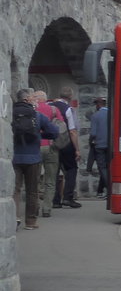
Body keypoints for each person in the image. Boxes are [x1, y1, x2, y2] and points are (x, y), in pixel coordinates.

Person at [12, 88, 55, 229]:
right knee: (32, 190)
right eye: (33, 97)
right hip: (33, 158)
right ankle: (30, 222)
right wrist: (40, 135)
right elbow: (54, 132)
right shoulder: (37, 116)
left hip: (14, 158)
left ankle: (14, 218)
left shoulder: (9, 113)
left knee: (15, 190)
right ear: (27, 100)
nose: (35, 100)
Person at [33, 90, 64, 218]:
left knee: (34, 180)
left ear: (36, 98)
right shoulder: (53, 110)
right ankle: (46, 209)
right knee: (50, 180)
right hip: (51, 147)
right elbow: (61, 127)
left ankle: (34, 207)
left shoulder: (33, 110)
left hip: (35, 147)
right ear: (45, 99)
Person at [50, 87, 82, 209]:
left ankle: (55, 200)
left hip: (51, 142)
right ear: (69, 97)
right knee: (71, 169)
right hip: (66, 143)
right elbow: (72, 131)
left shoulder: (50, 106)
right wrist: (77, 149)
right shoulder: (68, 109)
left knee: (54, 171)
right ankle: (68, 197)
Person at [90, 96, 110, 198]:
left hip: (99, 145)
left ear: (98, 105)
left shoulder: (95, 116)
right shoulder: (112, 115)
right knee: (108, 167)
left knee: (102, 168)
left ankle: (109, 189)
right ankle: (100, 190)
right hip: (111, 145)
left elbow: (93, 133)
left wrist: (90, 141)